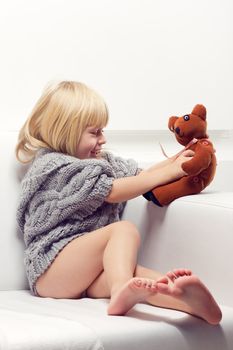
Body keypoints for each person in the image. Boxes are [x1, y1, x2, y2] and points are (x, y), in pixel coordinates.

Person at [16, 80, 222, 325]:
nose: (102, 139)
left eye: (102, 130)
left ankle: (189, 302)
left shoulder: (101, 162)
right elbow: (113, 191)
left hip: (81, 273)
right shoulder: (54, 166)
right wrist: (170, 172)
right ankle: (121, 291)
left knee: (138, 276)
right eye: (94, 132)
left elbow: (139, 176)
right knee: (123, 230)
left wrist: (178, 161)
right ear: (65, 132)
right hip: (50, 270)